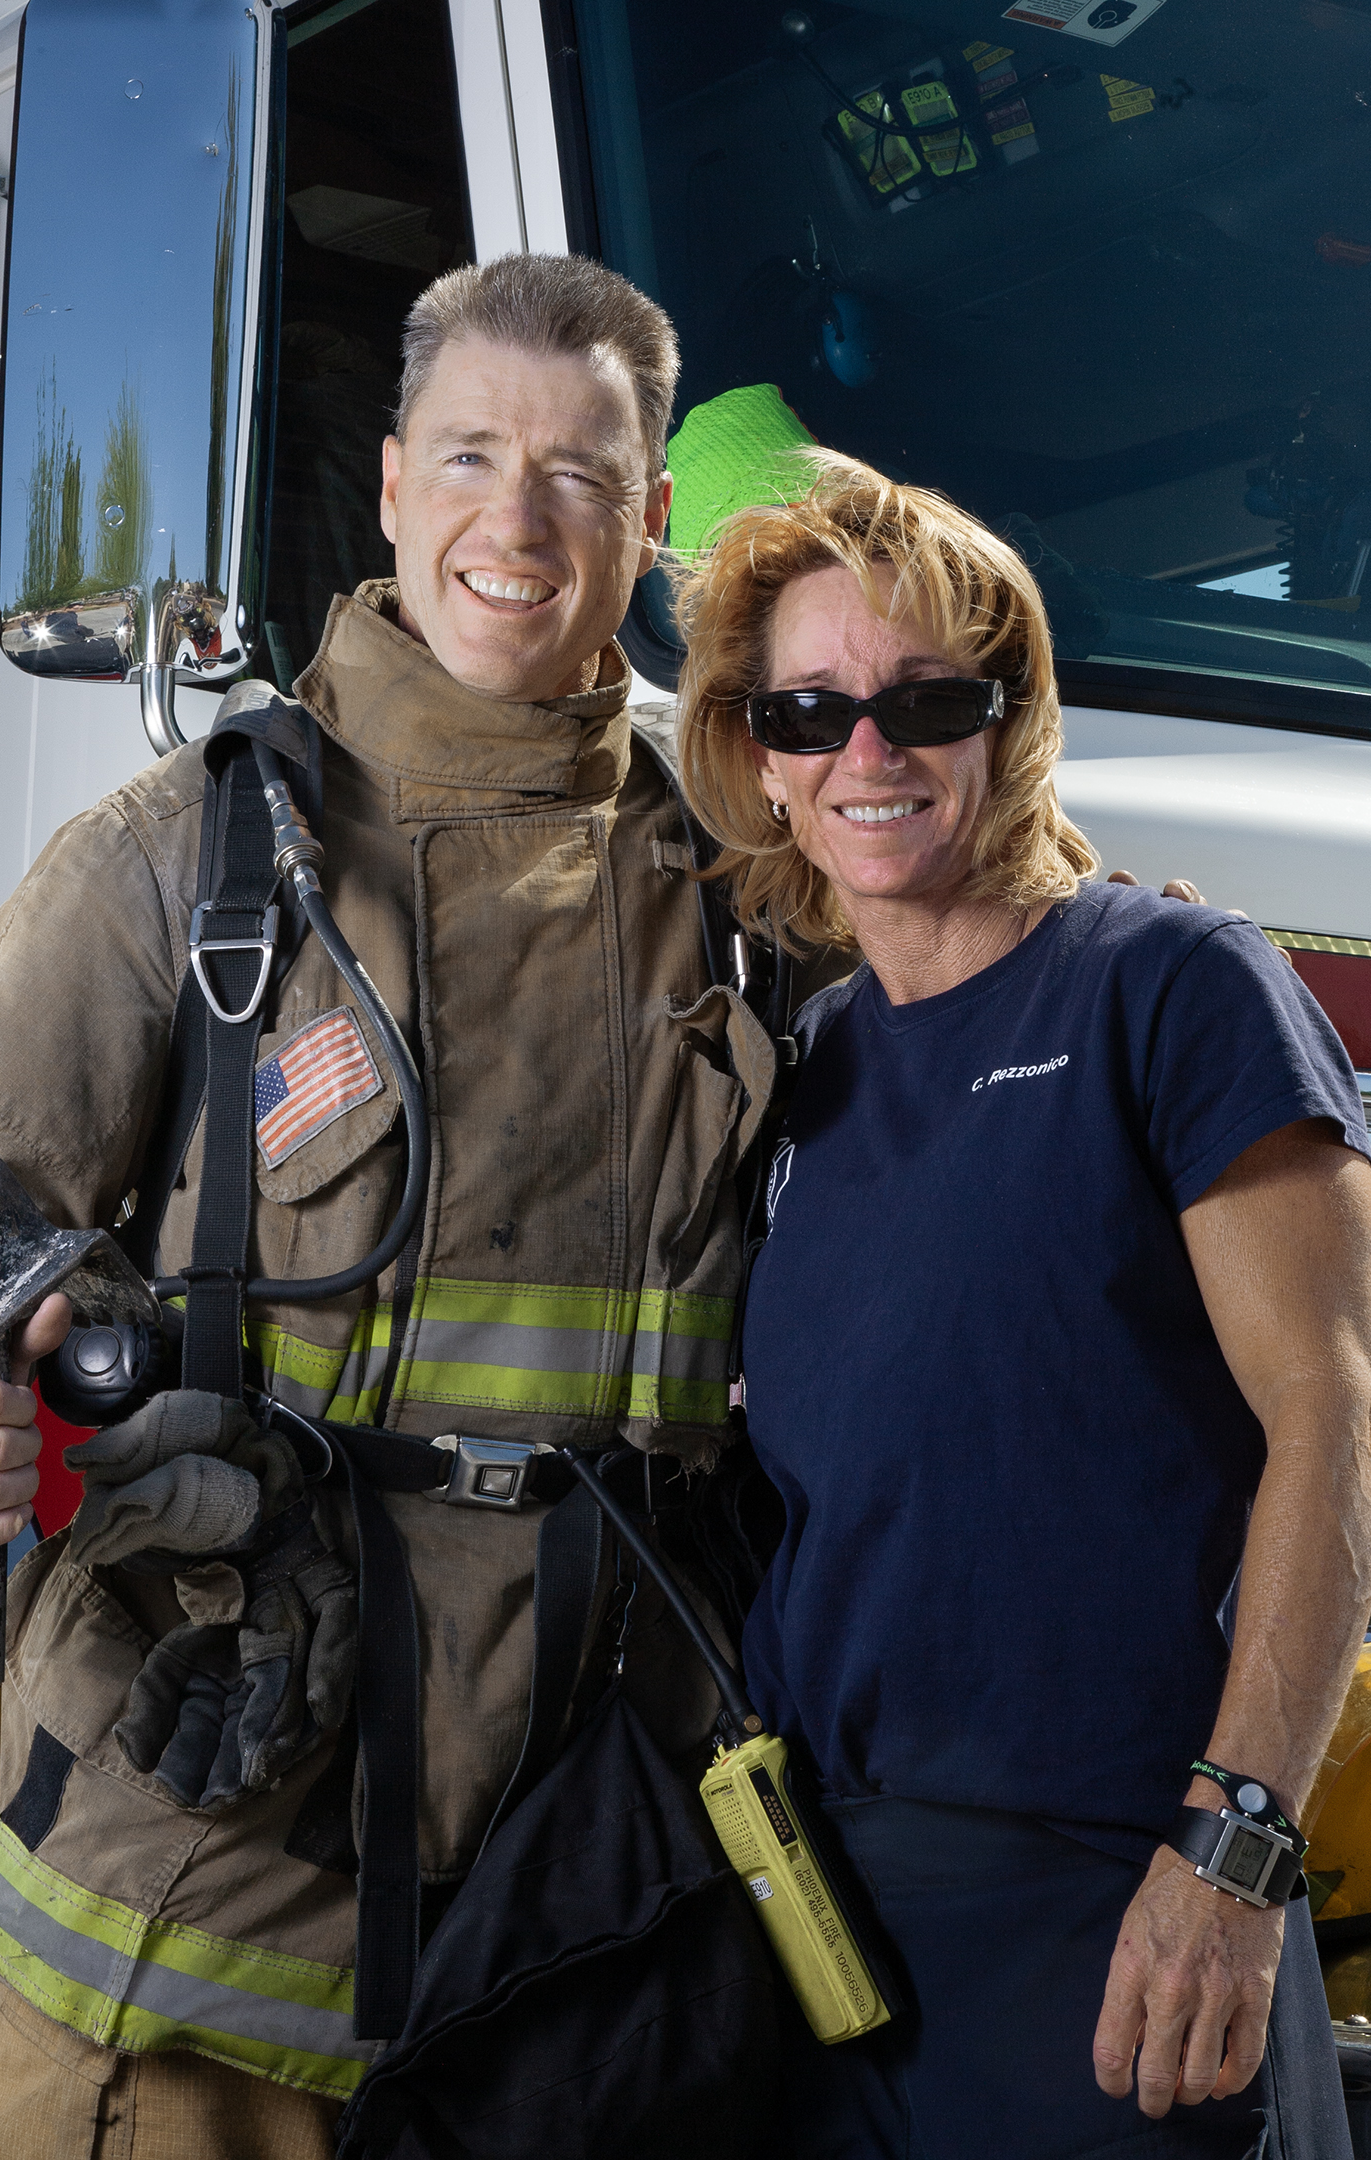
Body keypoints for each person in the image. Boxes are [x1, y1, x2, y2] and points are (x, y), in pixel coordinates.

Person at [0, 253, 780, 2159]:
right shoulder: (197, 854)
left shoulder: (738, 888)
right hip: (205, 1876)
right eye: (470, 454)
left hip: (587, 1908)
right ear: (392, 485)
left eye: (579, 473)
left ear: (651, 519)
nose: (516, 520)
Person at [675, 451, 1371, 2158]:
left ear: (1008, 720)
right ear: (758, 759)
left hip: (1129, 1911)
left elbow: (1338, 1421)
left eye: (927, 700)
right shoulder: (807, 1072)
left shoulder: (1173, 988)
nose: (868, 753)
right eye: (809, 711)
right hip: (837, 1931)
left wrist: (1230, 1856)